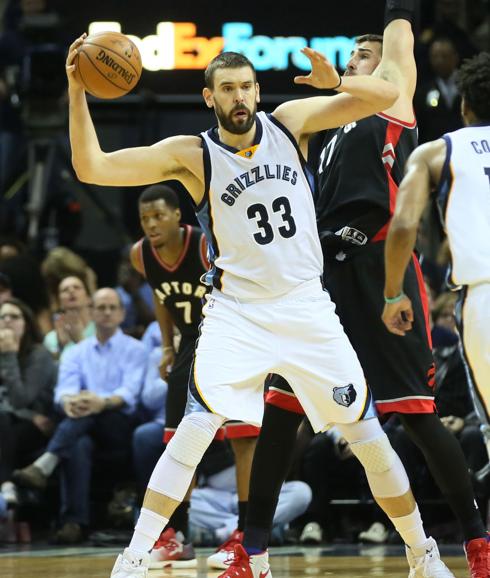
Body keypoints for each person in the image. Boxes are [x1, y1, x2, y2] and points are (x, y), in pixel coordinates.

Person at [65, 32, 447, 578]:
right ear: (209, 98)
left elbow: (386, 98)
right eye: (227, 89)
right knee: (196, 429)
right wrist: (78, 89)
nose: (239, 97)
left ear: (257, 90)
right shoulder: (191, 155)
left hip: (306, 306)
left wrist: (336, 82)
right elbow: (92, 168)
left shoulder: (288, 123)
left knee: (365, 433)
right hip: (237, 312)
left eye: (246, 86)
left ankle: (421, 552)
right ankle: (133, 558)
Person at [232, 2, 487, 578]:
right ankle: (252, 552)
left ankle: (477, 543)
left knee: (417, 414)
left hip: (380, 267)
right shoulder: (330, 123)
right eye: (350, 57)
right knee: (280, 408)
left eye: (363, 56)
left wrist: (383, 37)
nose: (354, 62)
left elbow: (399, 32)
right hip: (321, 275)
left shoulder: (394, 98)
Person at [382, 51, 490, 573]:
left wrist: (391, 293)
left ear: (464, 104)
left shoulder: (434, 152)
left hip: (484, 296)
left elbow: (403, 226)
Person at [130, 184, 261, 569]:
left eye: (157, 216)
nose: (151, 224)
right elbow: (159, 293)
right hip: (189, 342)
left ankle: (244, 532)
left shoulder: (204, 245)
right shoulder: (141, 255)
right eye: (144, 219)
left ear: (176, 216)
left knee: (242, 438)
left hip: (229, 337)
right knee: (176, 441)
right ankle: (177, 537)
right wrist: (168, 346)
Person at [13, 288, 147, 544]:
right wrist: (70, 402)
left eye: (112, 307)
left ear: (122, 313)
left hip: (120, 425)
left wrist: (102, 401)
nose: (106, 313)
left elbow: (130, 393)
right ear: (91, 312)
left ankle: (46, 463)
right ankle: (74, 523)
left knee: (86, 419)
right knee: (78, 442)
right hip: (84, 424)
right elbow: (63, 391)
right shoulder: (77, 351)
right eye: (101, 308)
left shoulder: (135, 349)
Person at [0, 298, 57, 508]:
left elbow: (20, 398)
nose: (7, 321)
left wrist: (8, 355)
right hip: (19, 421)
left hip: (37, 429)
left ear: (26, 323)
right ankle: (6, 486)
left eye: (14, 317)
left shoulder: (39, 355)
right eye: (2, 317)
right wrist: (28, 414)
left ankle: (6, 488)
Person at [43, 275, 95, 360]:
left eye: (77, 287)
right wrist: (61, 346)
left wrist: (80, 340)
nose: (71, 291)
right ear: (59, 303)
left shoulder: (101, 331)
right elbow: (51, 370)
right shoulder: (51, 338)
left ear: (88, 298)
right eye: (65, 290)